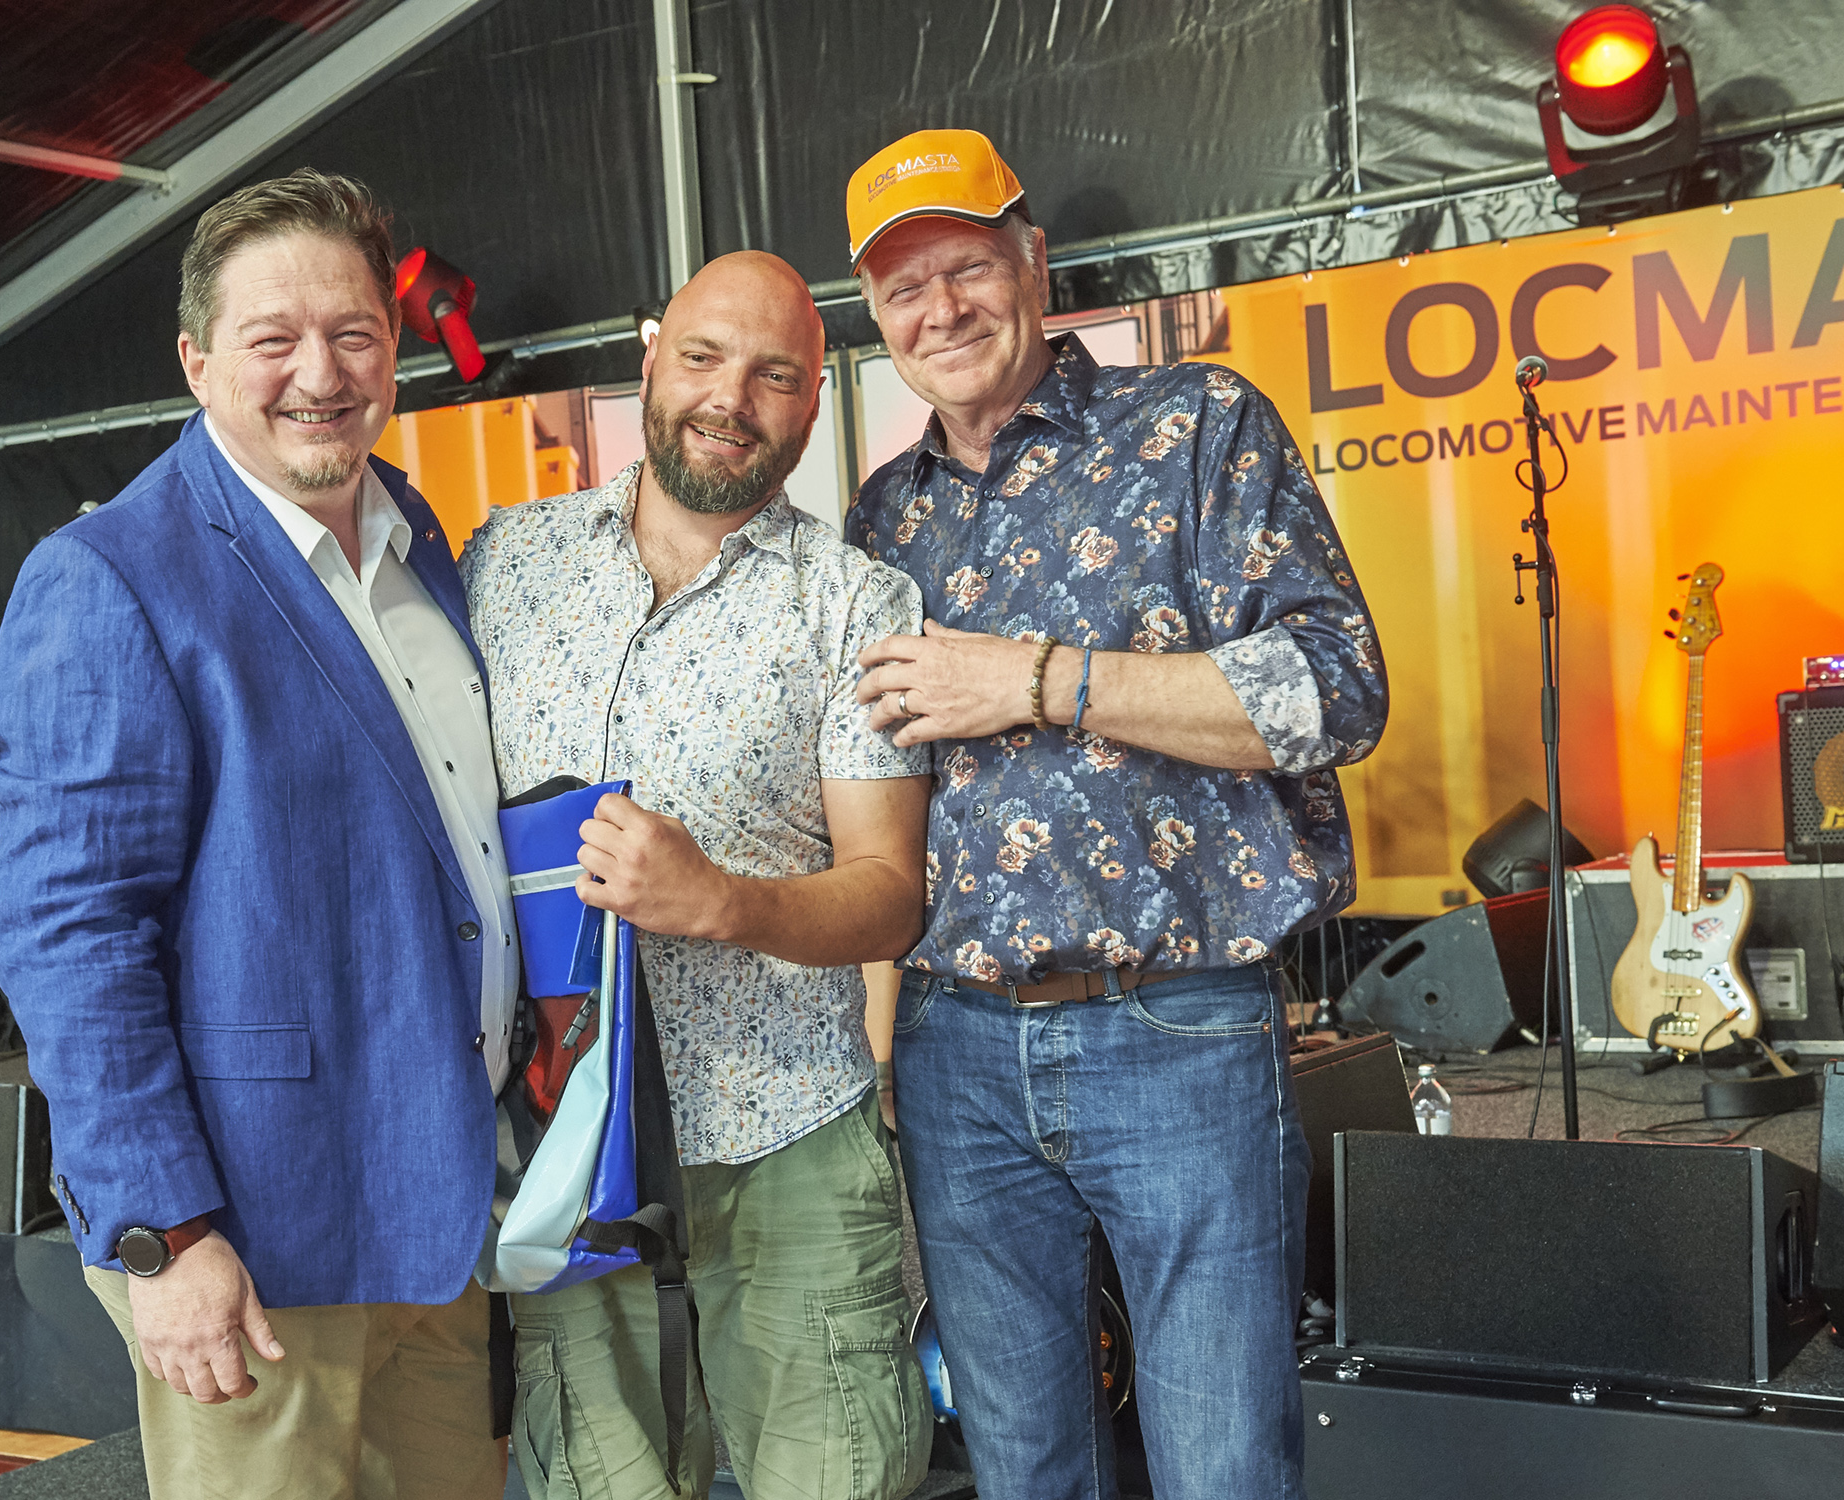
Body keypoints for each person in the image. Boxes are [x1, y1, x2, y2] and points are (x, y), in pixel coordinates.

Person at [841, 129, 1390, 1500]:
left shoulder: (1196, 426)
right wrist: (880, 1039)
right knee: (1024, 1466)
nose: (942, 310)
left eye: (966, 266)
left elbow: (1337, 691)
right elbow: (870, 811)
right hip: (954, 1050)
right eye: (906, 291)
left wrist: (1030, 680)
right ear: (876, 322)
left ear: (1035, 261)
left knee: (1221, 1466)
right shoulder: (878, 522)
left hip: (1179, 1026)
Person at [0, 170, 514, 1500]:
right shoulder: (112, 579)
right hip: (253, 1238)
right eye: (273, 340)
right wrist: (163, 1236)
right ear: (197, 362)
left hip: (436, 1205)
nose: (318, 373)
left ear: (393, 346)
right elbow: (70, 939)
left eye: (352, 333)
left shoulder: (418, 536)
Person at [461, 250, 935, 1500]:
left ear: (812, 400)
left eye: (776, 375)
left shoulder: (854, 601)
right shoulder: (505, 563)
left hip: (784, 1134)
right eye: (705, 357)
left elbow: (892, 889)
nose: (733, 397)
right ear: (649, 355)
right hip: (565, 1131)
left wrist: (722, 900)